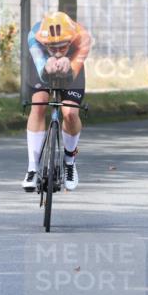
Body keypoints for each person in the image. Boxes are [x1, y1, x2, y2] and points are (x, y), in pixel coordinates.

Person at [22, 11, 92, 192]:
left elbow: (74, 69)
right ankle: (32, 168)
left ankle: (69, 162)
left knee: (69, 112)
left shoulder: (82, 37)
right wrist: (47, 64)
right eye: (52, 47)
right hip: (43, 62)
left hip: (73, 62)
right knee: (39, 105)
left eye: (62, 47)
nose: (58, 51)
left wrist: (68, 64)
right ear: (44, 42)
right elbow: (40, 65)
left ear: (71, 41)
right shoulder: (35, 35)